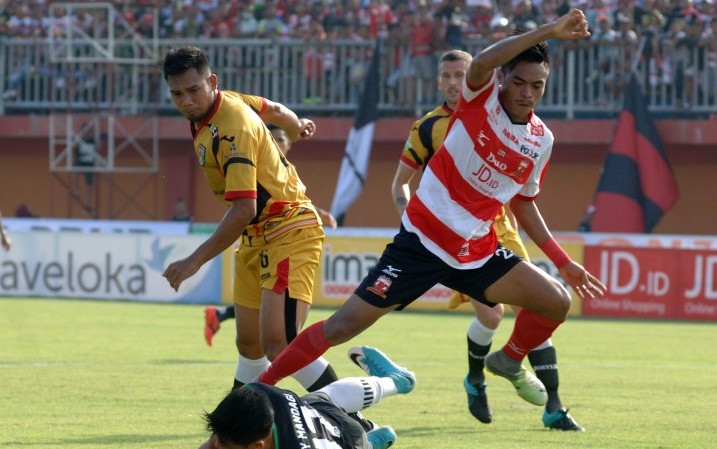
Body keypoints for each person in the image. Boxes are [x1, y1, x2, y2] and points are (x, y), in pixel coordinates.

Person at [258, 11, 606, 418]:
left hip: (476, 252)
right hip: (420, 245)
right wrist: (550, 31)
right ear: (501, 80)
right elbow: (479, 64)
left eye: (537, 85)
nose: (527, 93)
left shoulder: (541, 140)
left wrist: (564, 263)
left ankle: (508, 360)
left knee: (556, 302)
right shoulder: (480, 101)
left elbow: (524, 202)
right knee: (340, 327)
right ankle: (259, 389)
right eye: (519, 82)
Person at [390, 50, 583, 431]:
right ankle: (477, 376)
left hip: (499, 225)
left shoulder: (500, 111)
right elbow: (400, 184)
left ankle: (554, 405)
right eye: (445, 75)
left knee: (537, 305)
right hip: (448, 232)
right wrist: (413, 227)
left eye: (459, 74)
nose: (451, 81)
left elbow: (524, 194)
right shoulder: (428, 127)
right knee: (492, 314)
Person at [160, 46, 339, 393]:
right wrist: (295, 124)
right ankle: (239, 425)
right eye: (177, 93)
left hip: (287, 227)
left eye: (193, 90)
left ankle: (355, 421)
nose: (186, 101)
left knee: (281, 344)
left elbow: (244, 209)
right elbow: (271, 108)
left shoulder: (232, 127)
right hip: (257, 237)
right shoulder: (222, 103)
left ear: (212, 82)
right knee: (249, 345)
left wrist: (193, 261)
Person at [128, 346, 416, 449]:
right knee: (321, 398)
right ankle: (392, 386)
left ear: (257, 447)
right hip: (336, 429)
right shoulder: (267, 397)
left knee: (329, 422)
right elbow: (221, 441)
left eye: (224, 446)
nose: (216, 447)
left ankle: (371, 442)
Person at [202, 126, 338, 348]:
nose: (278, 142)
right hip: (264, 239)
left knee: (267, 323)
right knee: (275, 339)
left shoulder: (285, 168)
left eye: (282, 139)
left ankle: (220, 316)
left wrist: (318, 211)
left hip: (277, 236)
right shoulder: (253, 163)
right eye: (273, 138)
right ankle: (221, 317)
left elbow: (291, 199)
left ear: (289, 144)